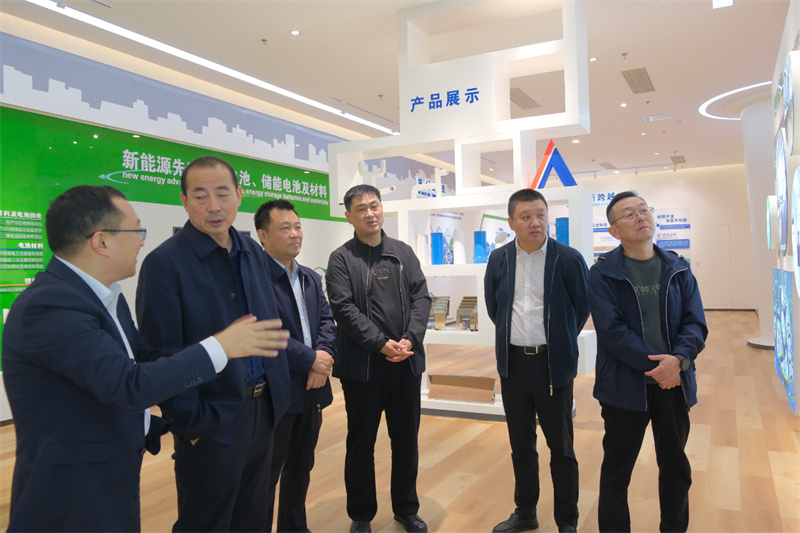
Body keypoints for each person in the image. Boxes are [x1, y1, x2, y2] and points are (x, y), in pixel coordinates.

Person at [1, 185, 289, 532]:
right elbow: (129, 385)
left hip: (113, 479)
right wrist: (220, 346)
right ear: (101, 241)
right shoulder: (50, 306)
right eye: (136, 231)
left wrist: (193, 423)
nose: (141, 242)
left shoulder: (107, 298)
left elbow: (149, 360)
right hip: (72, 494)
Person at [135, 155, 291, 532]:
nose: (214, 206)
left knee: (255, 517)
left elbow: (267, 324)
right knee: (206, 521)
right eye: (200, 196)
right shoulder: (164, 264)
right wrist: (191, 422)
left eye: (222, 193)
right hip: (211, 419)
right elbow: (160, 354)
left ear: (239, 195)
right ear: (184, 201)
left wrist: (278, 397)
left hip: (264, 410)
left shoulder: (253, 252)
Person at [588, 191, 707, 533]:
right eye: (629, 214)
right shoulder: (602, 274)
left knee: (676, 469)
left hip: (673, 387)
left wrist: (679, 361)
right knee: (616, 472)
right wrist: (662, 366)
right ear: (613, 231)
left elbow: (695, 323)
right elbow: (612, 332)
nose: (641, 217)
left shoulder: (678, 268)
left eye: (644, 210)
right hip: (624, 389)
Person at [325, 184, 431, 533]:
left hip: (406, 363)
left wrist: (410, 338)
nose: (370, 213)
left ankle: (406, 509)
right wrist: (382, 344)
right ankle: (361, 514)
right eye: (361, 209)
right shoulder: (341, 259)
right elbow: (343, 309)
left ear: (382, 208)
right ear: (348, 216)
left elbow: (421, 298)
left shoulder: (403, 253)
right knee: (361, 443)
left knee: (406, 441)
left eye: (374, 205)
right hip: (363, 368)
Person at [484, 188, 589, 533]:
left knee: (562, 448)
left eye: (541, 215)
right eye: (526, 216)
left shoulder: (568, 259)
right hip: (513, 365)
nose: (535, 222)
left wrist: (557, 338)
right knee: (521, 445)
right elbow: (495, 307)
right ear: (511, 222)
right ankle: (525, 512)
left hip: (552, 365)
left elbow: (580, 308)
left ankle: (567, 521)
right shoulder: (499, 259)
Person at [254, 199, 336, 533]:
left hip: (312, 389)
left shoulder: (309, 278)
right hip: (276, 392)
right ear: (263, 235)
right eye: (284, 228)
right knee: (266, 474)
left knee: (301, 468)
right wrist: (310, 359)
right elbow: (264, 332)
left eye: (298, 226)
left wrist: (321, 359)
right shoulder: (256, 279)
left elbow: (326, 322)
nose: (295, 234)